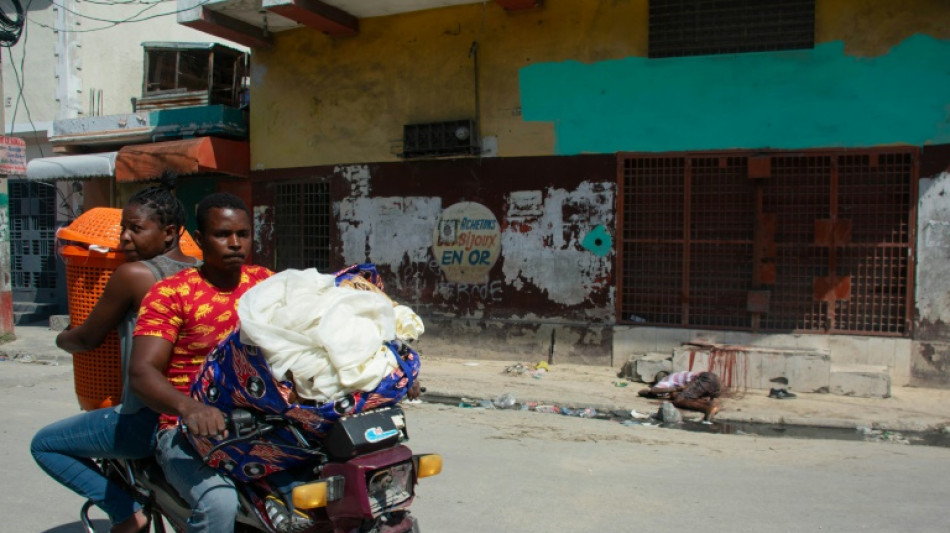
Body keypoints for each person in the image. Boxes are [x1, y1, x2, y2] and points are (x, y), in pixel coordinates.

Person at [31, 172, 199, 533]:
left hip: (148, 417)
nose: (124, 237)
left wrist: (63, 338)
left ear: (169, 232)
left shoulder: (136, 274)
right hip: (201, 408)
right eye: (124, 228)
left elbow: (87, 338)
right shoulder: (203, 274)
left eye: (135, 229)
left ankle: (126, 513)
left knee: (44, 444)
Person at [129, 192, 273, 533]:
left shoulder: (266, 283)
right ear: (198, 239)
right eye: (223, 235)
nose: (235, 243)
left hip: (264, 419)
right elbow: (142, 371)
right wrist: (190, 409)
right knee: (218, 503)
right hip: (186, 429)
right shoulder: (171, 293)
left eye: (243, 234)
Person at [639, 370, 722, 422]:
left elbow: (653, 390)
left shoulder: (666, 380)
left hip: (705, 379)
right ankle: (712, 404)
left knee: (679, 400)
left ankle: (708, 408)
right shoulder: (679, 376)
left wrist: (677, 389)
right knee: (688, 397)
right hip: (714, 381)